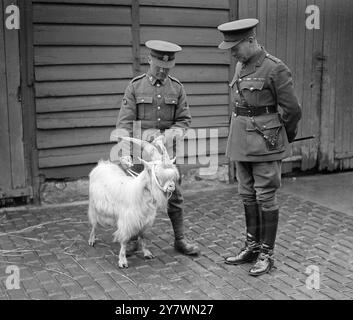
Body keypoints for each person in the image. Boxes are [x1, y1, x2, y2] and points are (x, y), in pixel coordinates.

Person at [217, 19, 302, 276]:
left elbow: (292, 111)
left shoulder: (275, 69)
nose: (232, 52)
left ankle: (267, 253)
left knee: (266, 195)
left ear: (251, 40)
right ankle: (252, 247)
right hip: (241, 142)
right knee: (246, 194)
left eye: (236, 46)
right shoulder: (241, 65)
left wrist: (280, 139)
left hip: (266, 143)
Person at [115, 40, 200, 256]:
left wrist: (165, 137)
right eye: (158, 66)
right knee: (136, 197)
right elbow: (125, 123)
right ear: (149, 59)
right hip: (140, 156)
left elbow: (183, 121)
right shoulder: (135, 87)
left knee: (175, 195)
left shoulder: (177, 88)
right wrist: (125, 152)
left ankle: (180, 239)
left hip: (165, 156)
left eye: (167, 67)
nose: (162, 71)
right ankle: (133, 239)